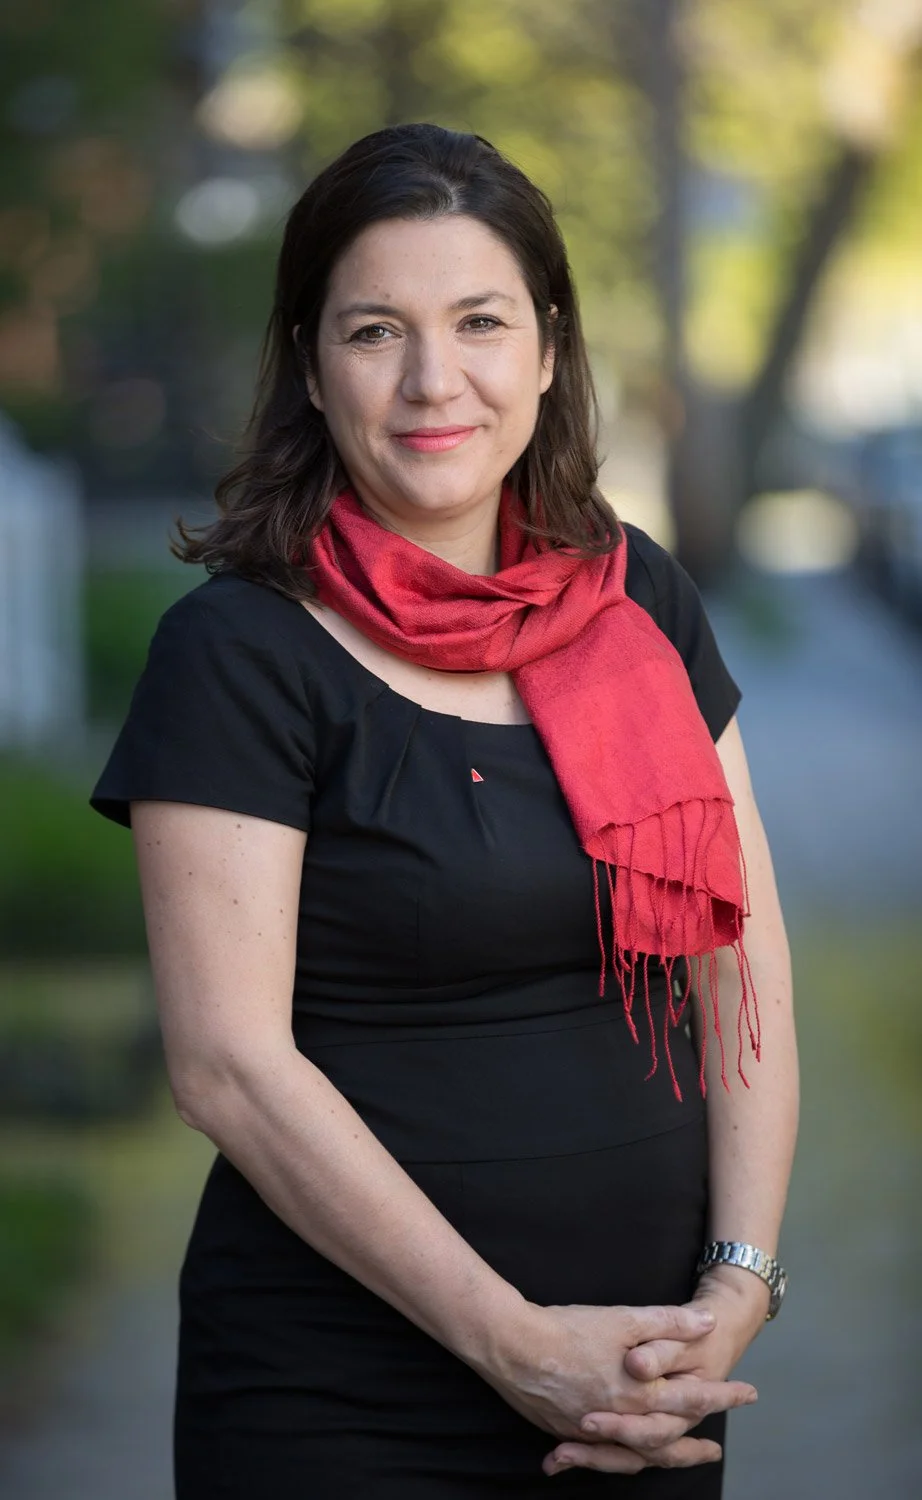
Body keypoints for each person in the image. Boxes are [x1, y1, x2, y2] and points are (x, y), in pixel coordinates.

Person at [90, 123, 798, 1497]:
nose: (433, 381)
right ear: (308, 365)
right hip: (344, 1398)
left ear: (544, 347)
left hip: (653, 1381)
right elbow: (226, 1068)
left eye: (477, 322)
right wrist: (513, 1343)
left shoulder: (635, 599)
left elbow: (739, 954)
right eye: (373, 331)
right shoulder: (239, 654)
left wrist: (741, 1281)